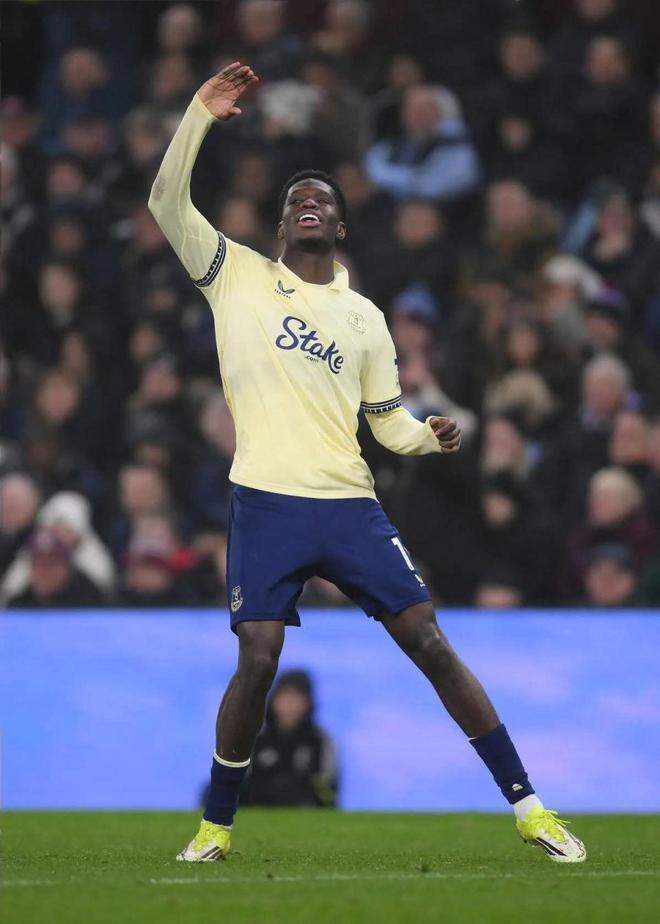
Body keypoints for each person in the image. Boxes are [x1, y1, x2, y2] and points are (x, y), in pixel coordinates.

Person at [148, 62, 585, 864]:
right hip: (267, 502)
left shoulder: (364, 319)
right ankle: (215, 827)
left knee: (430, 642)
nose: (308, 204)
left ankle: (530, 808)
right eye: (295, 201)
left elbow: (385, 424)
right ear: (282, 226)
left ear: (341, 228)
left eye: (321, 200)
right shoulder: (234, 275)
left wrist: (427, 437)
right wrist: (199, 115)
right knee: (259, 658)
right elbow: (165, 203)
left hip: (350, 506)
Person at [239, 669, 338, 807]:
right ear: (273, 701)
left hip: (305, 811)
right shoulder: (257, 740)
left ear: (308, 703)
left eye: (297, 698)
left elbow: (328, 790)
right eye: (285, 697)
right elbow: (242, 783)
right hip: (259, 809)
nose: (290, 705)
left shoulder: (320, 740)